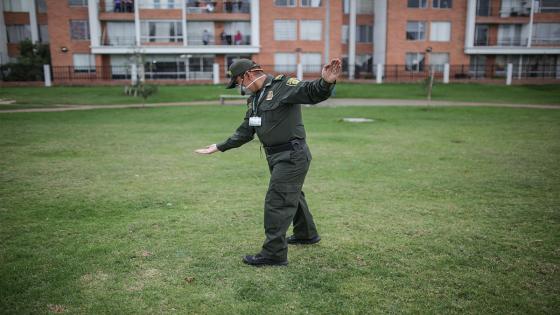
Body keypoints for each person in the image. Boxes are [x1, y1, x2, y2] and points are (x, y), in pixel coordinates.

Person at [195, 58, 342, 267]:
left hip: (292, 156)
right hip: (276, 156)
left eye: (238, 82)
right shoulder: (255, 99)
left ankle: (274, 253)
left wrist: (325, 82)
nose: (239, 87)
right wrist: (220, 146)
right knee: (292, 195)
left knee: (277, 201)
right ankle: (306, 234)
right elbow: (246, 130)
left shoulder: (283, 87)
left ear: (247, 75)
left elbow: (311, 92)